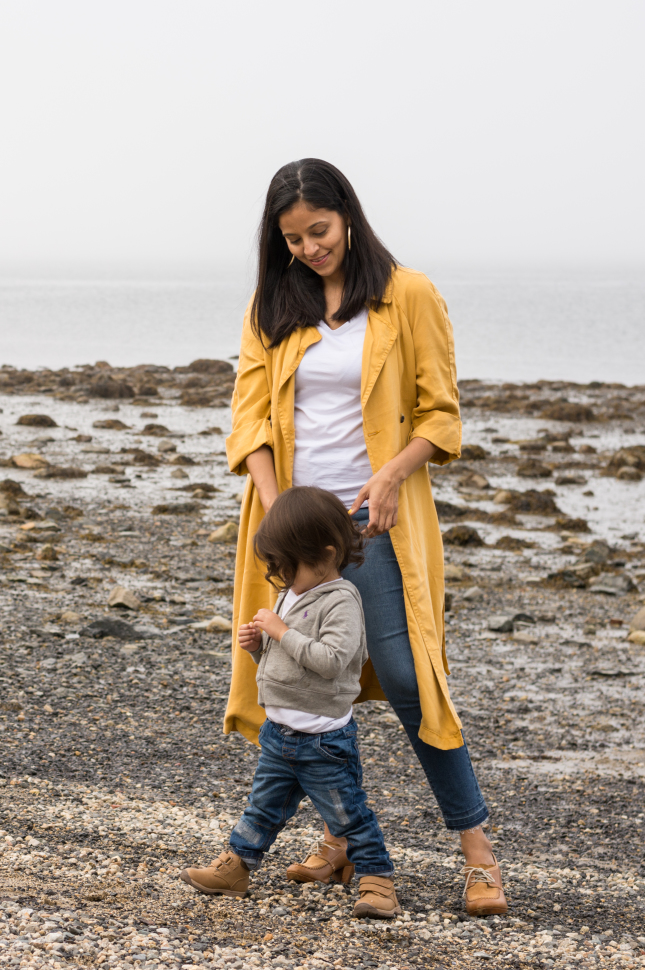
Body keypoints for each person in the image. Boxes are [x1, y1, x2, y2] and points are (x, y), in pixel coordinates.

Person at [223, 158, 507, 917]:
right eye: (293, 239)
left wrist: (390, 476)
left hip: (375, 523)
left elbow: (441, 414)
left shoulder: (408, 294)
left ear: (347, 214)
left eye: (319, 230)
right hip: (294, 529)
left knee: (411, 680)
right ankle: (341, 841)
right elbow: (249, 421)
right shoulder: (271, 303)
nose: (310, 248)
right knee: (299, 682)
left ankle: (480, 856)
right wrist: (280, 512)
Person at [180, 485, 400, 919]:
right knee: (262, 808)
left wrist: (281, 632)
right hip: (279, 734)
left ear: (326, 554)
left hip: (323, 741)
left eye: (287, 565)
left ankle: (378, 880)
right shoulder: (292, 592)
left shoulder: (341, 601)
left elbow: (331, 661)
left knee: (348, 815)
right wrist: (258, 647)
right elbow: (287, 661)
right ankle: (236, 867)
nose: (280, 574)